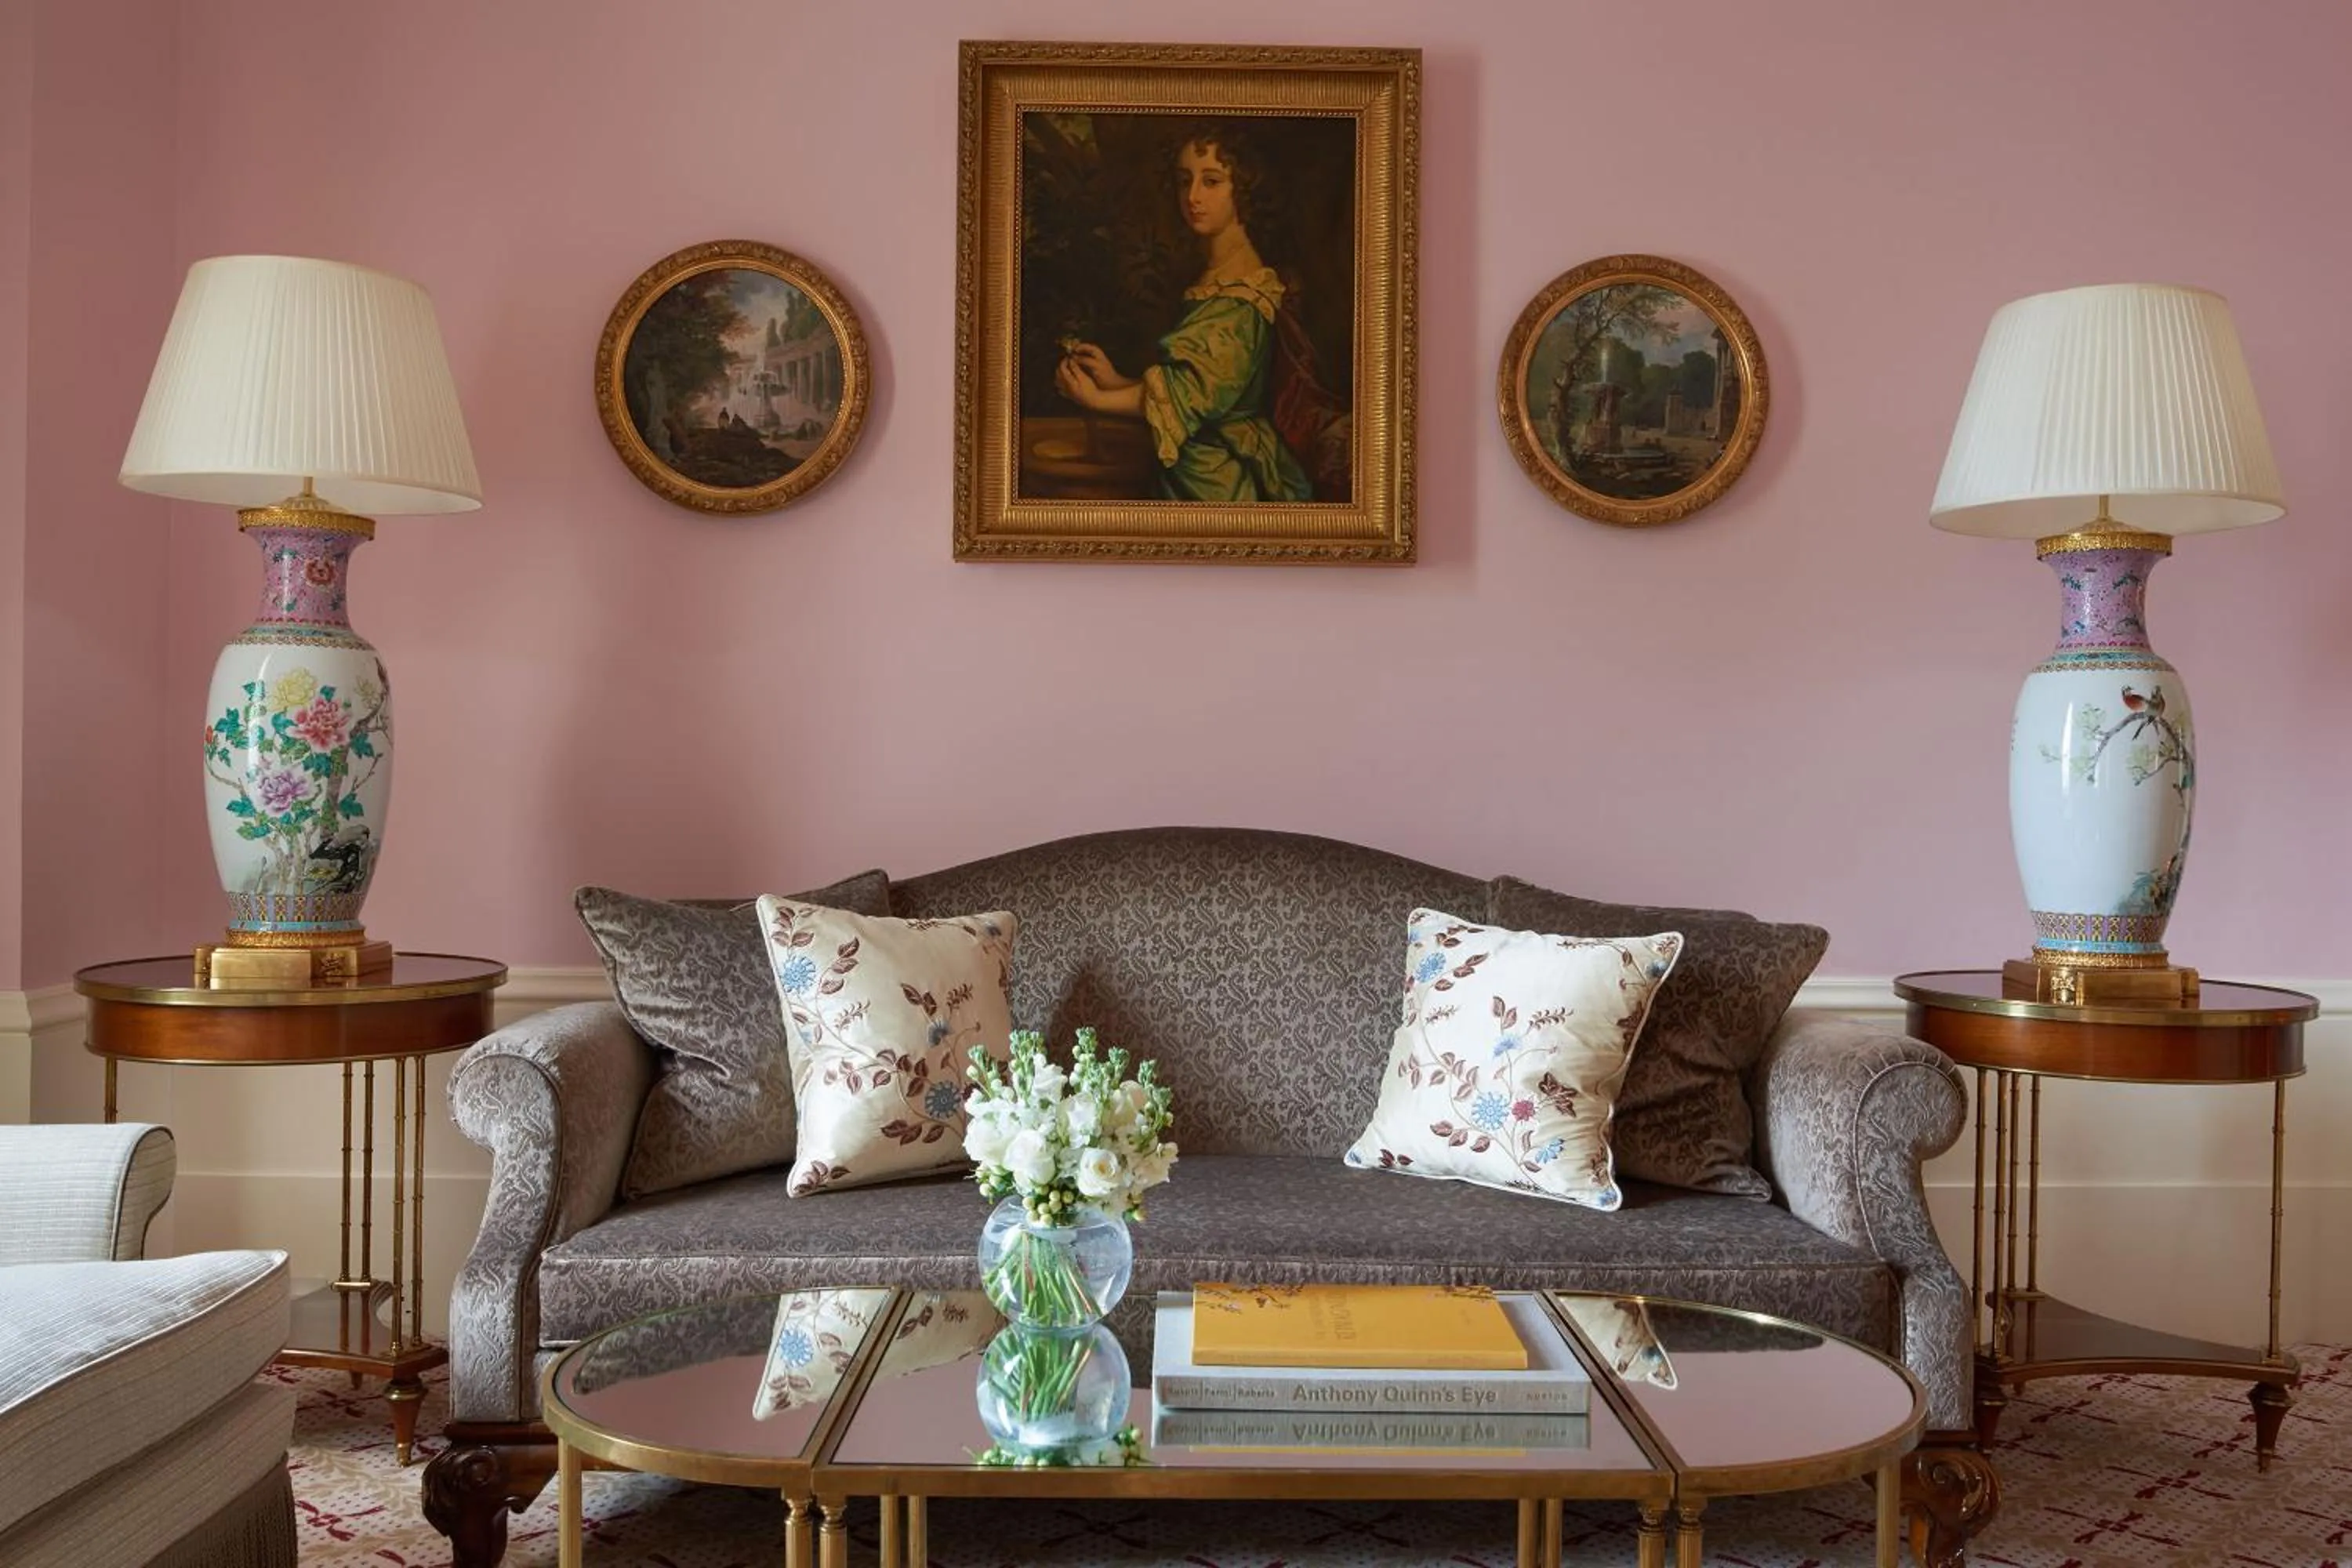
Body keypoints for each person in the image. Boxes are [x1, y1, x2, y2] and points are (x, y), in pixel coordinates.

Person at [1054, 129, 1315, 503]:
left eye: (1211, 182)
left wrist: (1096, 400)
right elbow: (1186, 386)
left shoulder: (1241, 301)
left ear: (1243, 188)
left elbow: (1189, 396)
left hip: (1221, 484)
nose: (1192, 197)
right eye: (1183, 181)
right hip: (1191, 472)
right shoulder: (1216, 280)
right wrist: (1115, 381)